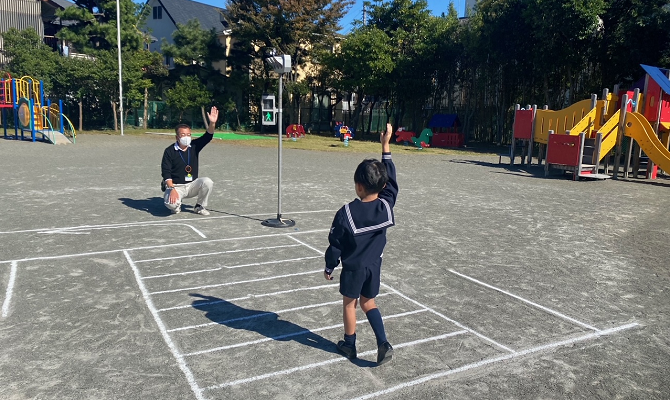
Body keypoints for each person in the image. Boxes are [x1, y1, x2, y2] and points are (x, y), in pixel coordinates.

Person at [324, 122, 398, 365]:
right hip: (374, 266)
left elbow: (336, 244)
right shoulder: (386, 204)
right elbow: (392, 183)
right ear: (383, 185)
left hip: (354, 268)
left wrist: (329, 265)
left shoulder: (346, 213)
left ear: (358, 185)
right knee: (369, 302)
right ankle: (383, 342)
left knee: (350, 303)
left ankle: (349, 343)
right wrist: (385, 146)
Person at [161, 106, 218, 215]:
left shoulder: (194, 146)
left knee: (207, 182)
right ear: (177, 137)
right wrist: (172, 188)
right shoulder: (169, 151)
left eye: (188, 135)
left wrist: (212, 123)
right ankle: (174, 200)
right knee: (171, 205)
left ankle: (199, 206)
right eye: (183, 135)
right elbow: (166, 172)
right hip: (176, 186)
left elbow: (208, 136)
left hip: (192, 184)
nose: (186, 137)